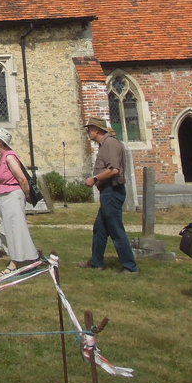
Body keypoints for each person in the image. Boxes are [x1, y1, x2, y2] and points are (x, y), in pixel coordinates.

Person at [79, 117, 139, 273]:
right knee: (99, 229)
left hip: (112, 192)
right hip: (107, 192)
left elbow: (114, 170)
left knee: (116, 230)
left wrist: (94, 179)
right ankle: (96, 262)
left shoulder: (110, 144)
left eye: (89, 129)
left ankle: (130, 266)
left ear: (97, 130)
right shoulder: (104, 144)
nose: (88, 132)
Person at [0, 128, 40, 275]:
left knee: (16, 229)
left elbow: (22, 179)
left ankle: (15, 262)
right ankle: (30, 258)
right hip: (6, 195)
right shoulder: (3, 156)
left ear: (1, 142)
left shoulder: (9, 157)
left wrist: (26, 195)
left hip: (13, 195)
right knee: (9, 229)